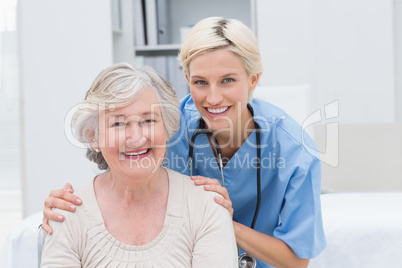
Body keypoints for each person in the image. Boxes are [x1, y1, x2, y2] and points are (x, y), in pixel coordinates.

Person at [42, 17, 326, 267]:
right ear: (187, 78)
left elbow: (296, 260)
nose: (213, 98)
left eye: (228, 80)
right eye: (200, 82)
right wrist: (70, 206)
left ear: (253, 80)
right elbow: (123, 168)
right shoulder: (165, 124)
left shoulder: (294, 149)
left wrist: (219, 220)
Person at [40, 63, 238, 267]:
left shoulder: (206, 206)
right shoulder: (68, 213)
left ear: (167, 127)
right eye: (118, 124)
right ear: (94, 137)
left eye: (148, 120)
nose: (136, 137)